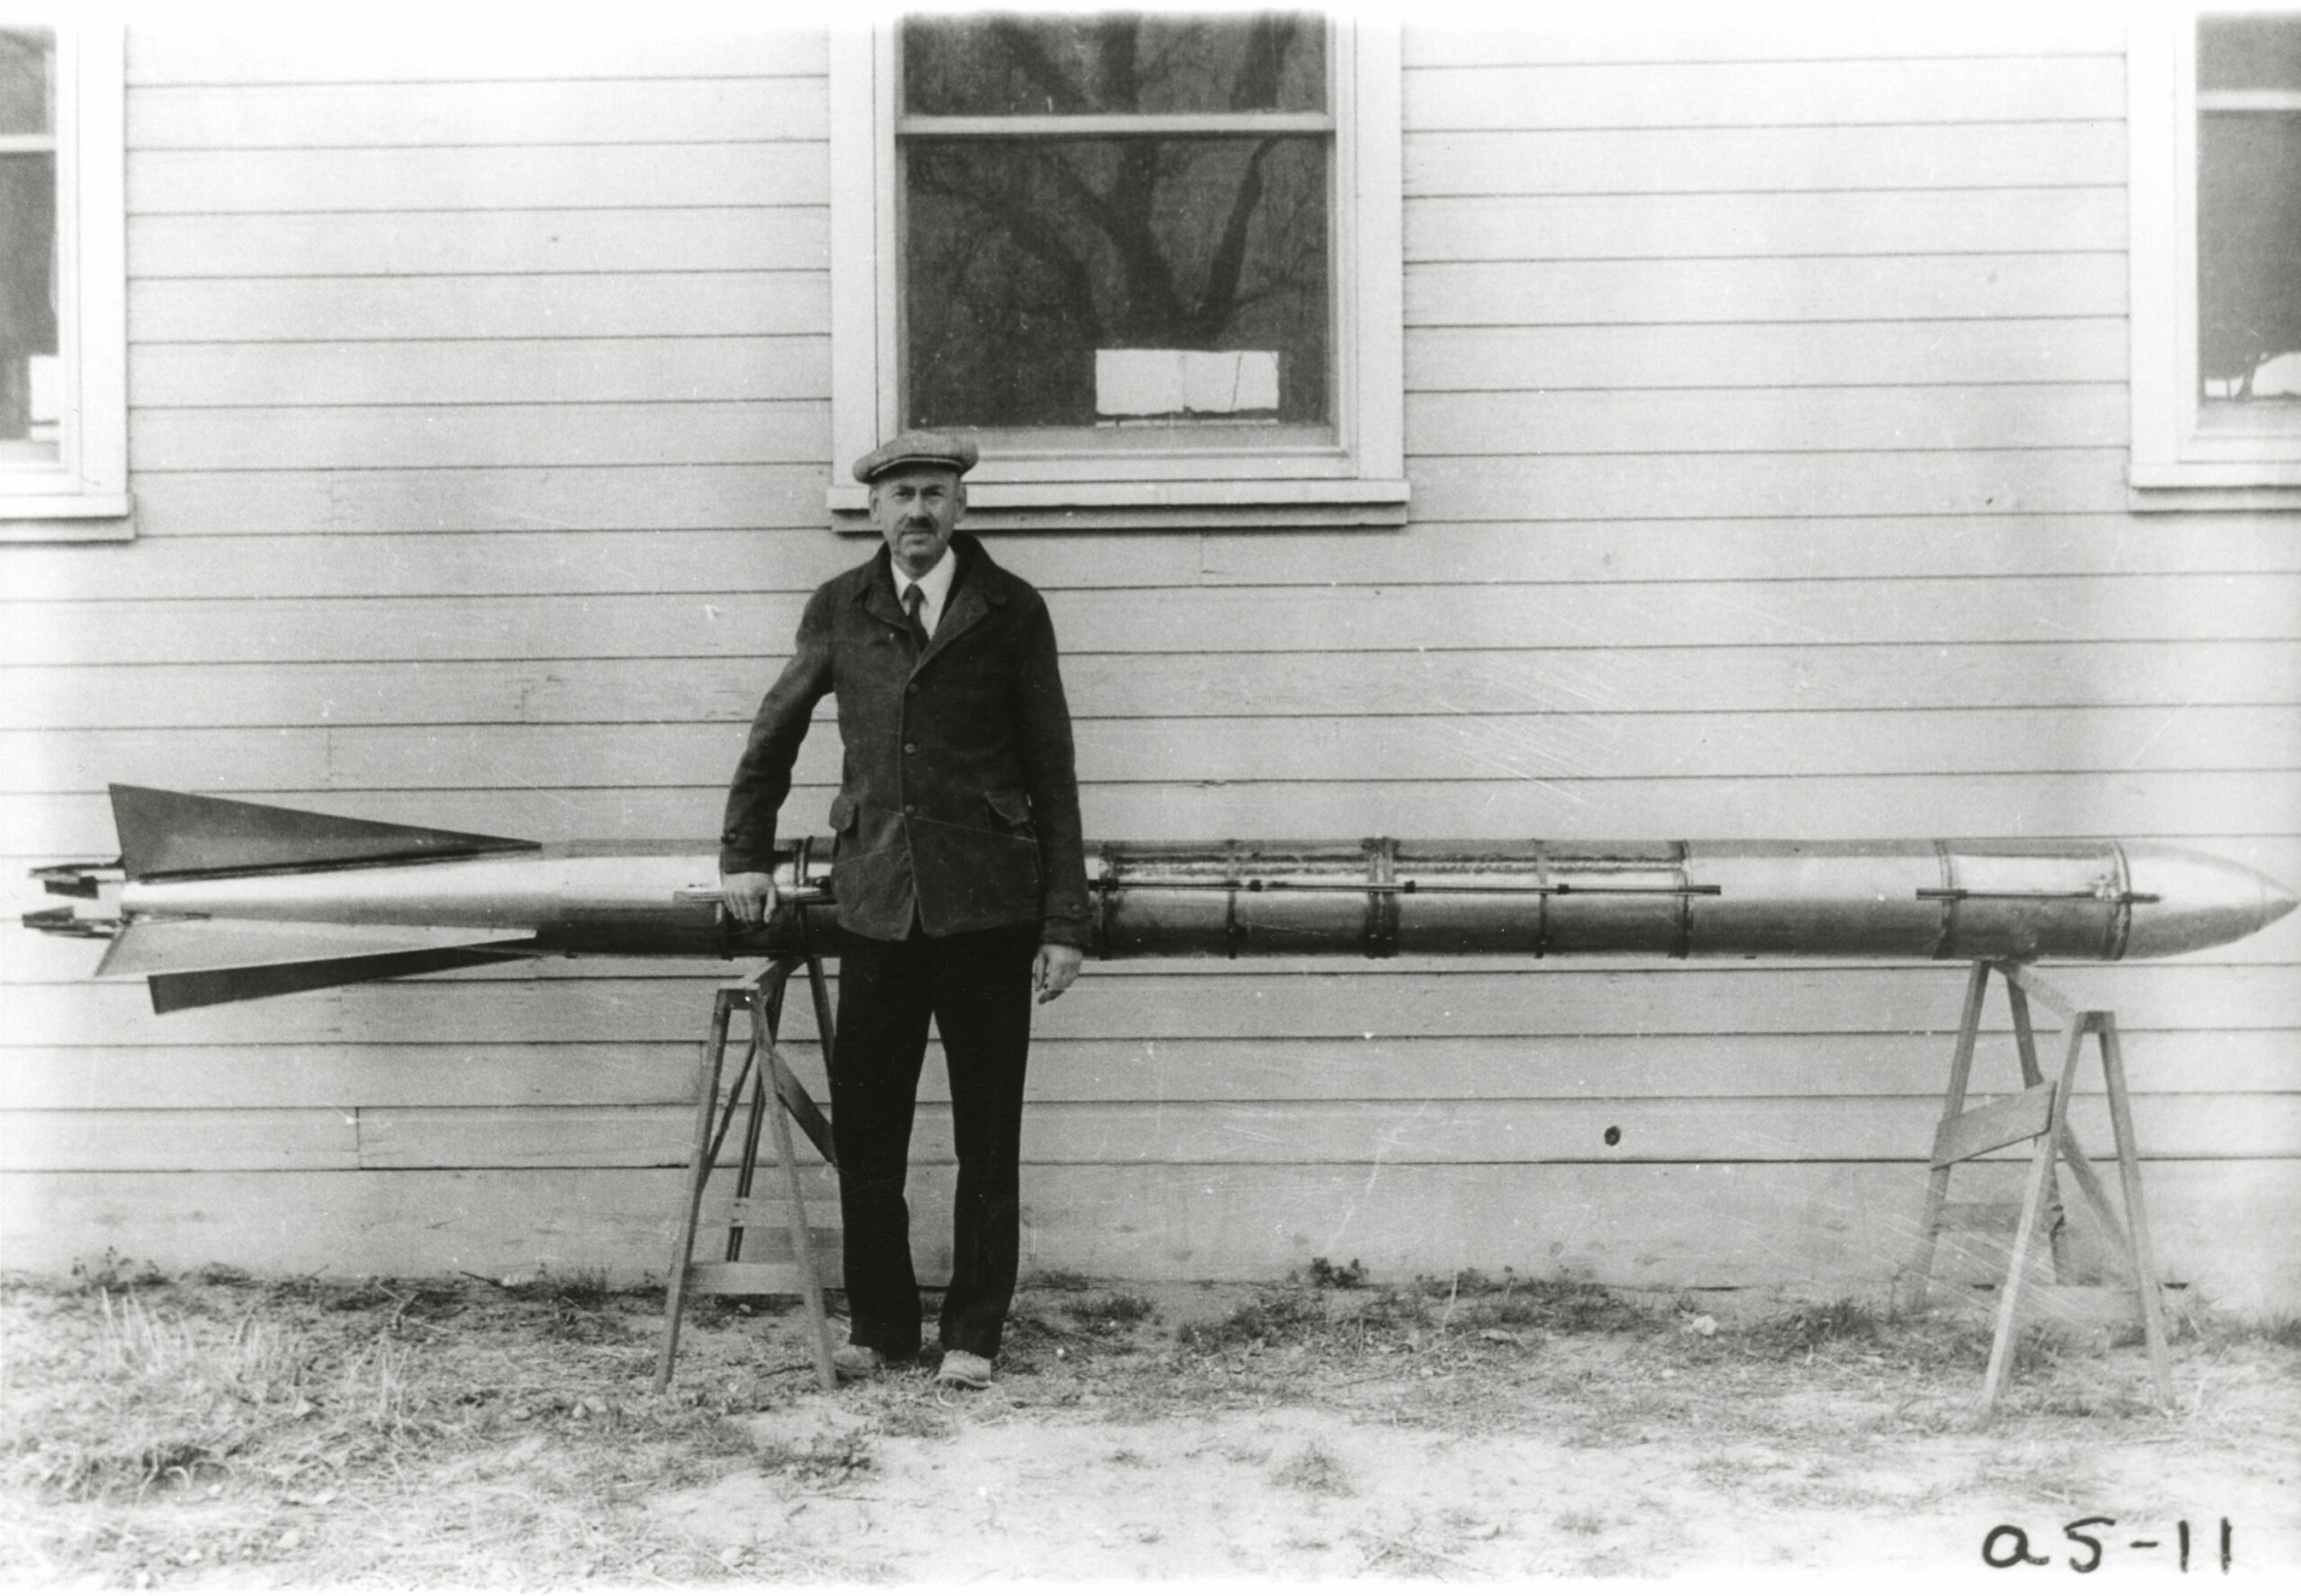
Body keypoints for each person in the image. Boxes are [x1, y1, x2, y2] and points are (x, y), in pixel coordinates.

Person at [718, 430, 1090, 1389]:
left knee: (987, 1137)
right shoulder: (841, 608)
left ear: (959, 504)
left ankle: (971, 1333)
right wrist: (743, 856)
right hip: (877, 906)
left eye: (933, 493)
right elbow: (775, 731)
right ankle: (881, 1326)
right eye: (900, 496)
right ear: (873, 510)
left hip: (988, 912)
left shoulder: (1011, 610)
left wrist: (1062, 922)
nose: (917, 512)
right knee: (871, 1136)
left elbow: (1052, 769)